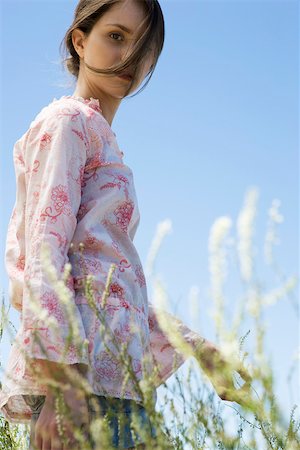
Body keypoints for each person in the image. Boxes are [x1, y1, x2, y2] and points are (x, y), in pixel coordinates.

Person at [0, 1, 252, 449]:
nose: (131, 57)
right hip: (83, 392)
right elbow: (44, 251)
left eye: (144, 47)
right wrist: (64, 387)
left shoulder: (102, 139)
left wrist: (200, 350)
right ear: (80, 40)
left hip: (114, 390)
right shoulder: (67, 123)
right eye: (116, 36)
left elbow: (112, 289)